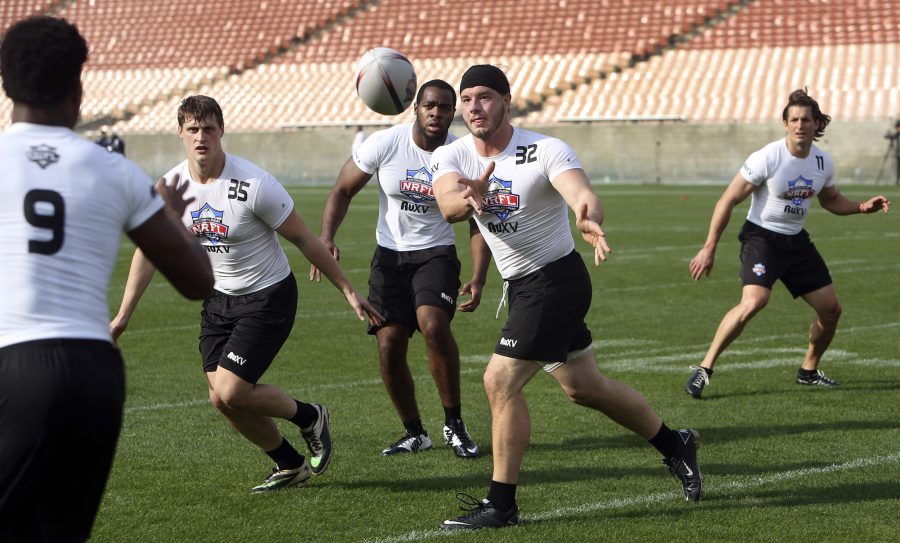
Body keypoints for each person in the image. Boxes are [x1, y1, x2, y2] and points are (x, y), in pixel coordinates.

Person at [431, 64, 702, 530]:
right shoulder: (452, 156)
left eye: (486, 97)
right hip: (522, 289)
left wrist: (586, 215)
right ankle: (676, 444)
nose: (476, 107)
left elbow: (581, 192)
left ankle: (502, 504)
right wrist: (469, 198)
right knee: (585, 389)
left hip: (556, 281)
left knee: (500, 381)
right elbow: (447, 203)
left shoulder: (544, 148)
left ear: (506, 101)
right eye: (469, 99)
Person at [0, 17, 214, 542]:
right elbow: (196, 280)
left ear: (5, 85)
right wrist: (172, 217)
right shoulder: (112, 169)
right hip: (94, 371)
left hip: (12, 362)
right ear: (77, 86)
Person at [110, 95, 383, 493]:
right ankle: (290, 465)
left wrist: (347, 289)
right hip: (218, 301)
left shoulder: (254, 183)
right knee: (221, 400)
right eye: (192, 129)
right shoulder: (169, 189)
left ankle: (310, 417)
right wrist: (123, 317)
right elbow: (149, 252)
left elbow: (304, 239)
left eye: (208, 128)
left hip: (268, 296)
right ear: (180, 133)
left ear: (222, 130)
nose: (201, 137)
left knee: (231, 389)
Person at [311, 80, 490, 458]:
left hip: (436, 254)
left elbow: (477, 220)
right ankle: (414, 432)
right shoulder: (385, 143)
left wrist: (478, 275)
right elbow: (342, 190)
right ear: (415, 108)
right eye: (429, 105)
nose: (436, 113)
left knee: (432, 324)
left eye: (444, 107)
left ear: (452, 112)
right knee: (389, 344)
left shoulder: (462, 153)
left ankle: (454, 424)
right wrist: (327, 237)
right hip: (389, 258)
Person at [685, 89, 891, 399]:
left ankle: (808, 371)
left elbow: (831, 200)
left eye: (806, 119)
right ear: (785, 123)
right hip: (762, 238)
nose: (800, 125)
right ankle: (704, 368)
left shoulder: (823, 162)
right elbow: (728, 199)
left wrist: (862, 207)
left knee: (831, 310)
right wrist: (709, 246)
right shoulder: (767, 157)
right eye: (793, 119)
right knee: (754, 302)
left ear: (816, 123)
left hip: (796, 242)